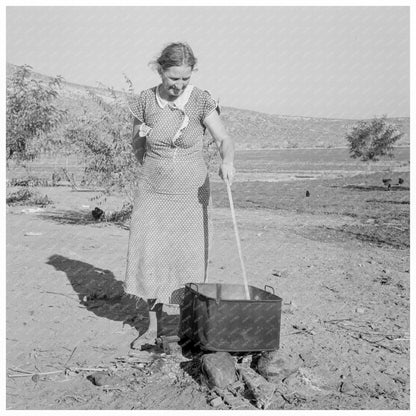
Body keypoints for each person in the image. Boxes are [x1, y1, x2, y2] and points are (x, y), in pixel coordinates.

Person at [124, 42, 235, 348]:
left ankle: (188, 327)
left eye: (184, 79)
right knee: (152, 255)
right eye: (173, 79)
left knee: (187, 257)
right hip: (153, 191)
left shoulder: (200, 100)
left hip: (190, 193)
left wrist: (228, 160)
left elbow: (224, 138)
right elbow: (137, 145)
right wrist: (154, 163)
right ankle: (156, 330)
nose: (179, 85)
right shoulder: (145, 100)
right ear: (161, 71)